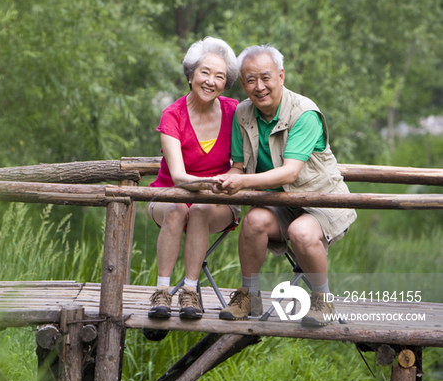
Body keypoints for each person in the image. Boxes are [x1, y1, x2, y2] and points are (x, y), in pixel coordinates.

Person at [215, 44, 357, 327]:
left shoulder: (304, 113)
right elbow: (238, 165)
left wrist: (242, 181)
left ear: (281, 76)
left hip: (321, 200)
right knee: (253, 221)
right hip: (280, 203)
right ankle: (248, 296)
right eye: (251, 80)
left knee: (301, 232)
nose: (259, 86)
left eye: (265, 77)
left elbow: (289, 173)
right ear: (242, 83)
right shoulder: (243, 113)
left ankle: (322, 300)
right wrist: (227, 179)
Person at [148, 37, 241, 320]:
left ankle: (190, 291)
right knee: (179, 208)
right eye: (205, 72)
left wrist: (228, 181)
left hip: (217, 199)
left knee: (199, 209)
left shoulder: (235, 111)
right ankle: (162, 291)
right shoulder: (172, 115)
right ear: (190, 75)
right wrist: (207, 184)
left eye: (219, 76)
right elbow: (177, 176)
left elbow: (239, 165)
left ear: (226, 83)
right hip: (171, 195)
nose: (211, 81)